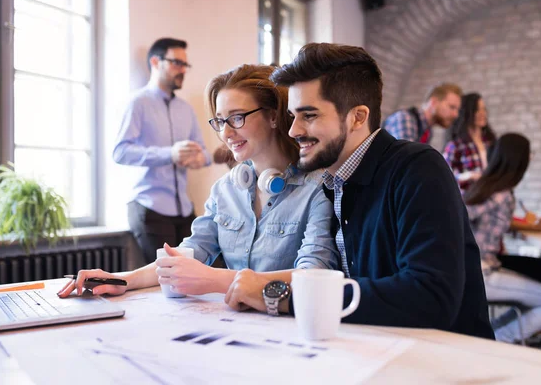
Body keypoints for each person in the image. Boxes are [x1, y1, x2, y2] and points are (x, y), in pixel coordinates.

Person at [224, 43, 494, 339]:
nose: (293, 130)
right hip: (374, 352)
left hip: (446, 363)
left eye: (309, 116)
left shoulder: (418, 169)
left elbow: (431, 297)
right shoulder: (332, 183)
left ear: (358, 117)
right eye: (293, 116)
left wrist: (280, 295)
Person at [58, 64, 339, 299]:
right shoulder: (226, 189)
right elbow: (191, 252)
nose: (226, 133)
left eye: (237, 118)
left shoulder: (317, 189)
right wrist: (123, 279)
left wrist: (215, 279)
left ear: (274, 116)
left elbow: (313, 275)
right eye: (219, 121)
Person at [113, 38, 211, 264]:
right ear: (156, 62)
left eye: (185, 64)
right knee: (164, 278)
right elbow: (120, 152)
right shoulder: (137, 103)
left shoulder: (186, 109)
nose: (183, 70)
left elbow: (204, 153)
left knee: (195, 271)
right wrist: (169, 154)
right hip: (150, 208)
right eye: (177, 62)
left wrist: (200, 158)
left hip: (185, 210)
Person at [464, 133, 541, 344]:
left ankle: (493, 334)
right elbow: (459, 216)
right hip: (482, 273)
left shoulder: (488, 188)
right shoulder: (502, 195)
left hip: (477, 268)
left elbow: (482, 220)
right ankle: (500, 338)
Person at [443, 93, 497, 193]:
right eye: (477, 110)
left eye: (483, 109)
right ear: (467, 113)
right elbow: (444, 177)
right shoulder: (456, 146)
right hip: (468, 201)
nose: (483, 113)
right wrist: (469, 176)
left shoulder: (491, 142)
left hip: (491, 196)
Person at [383, 83, 462, 144]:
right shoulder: (405, 118)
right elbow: (406, 160)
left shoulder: (428, 132)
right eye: (452, 107)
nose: (456, 115)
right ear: (433, 102)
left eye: (457, 110)